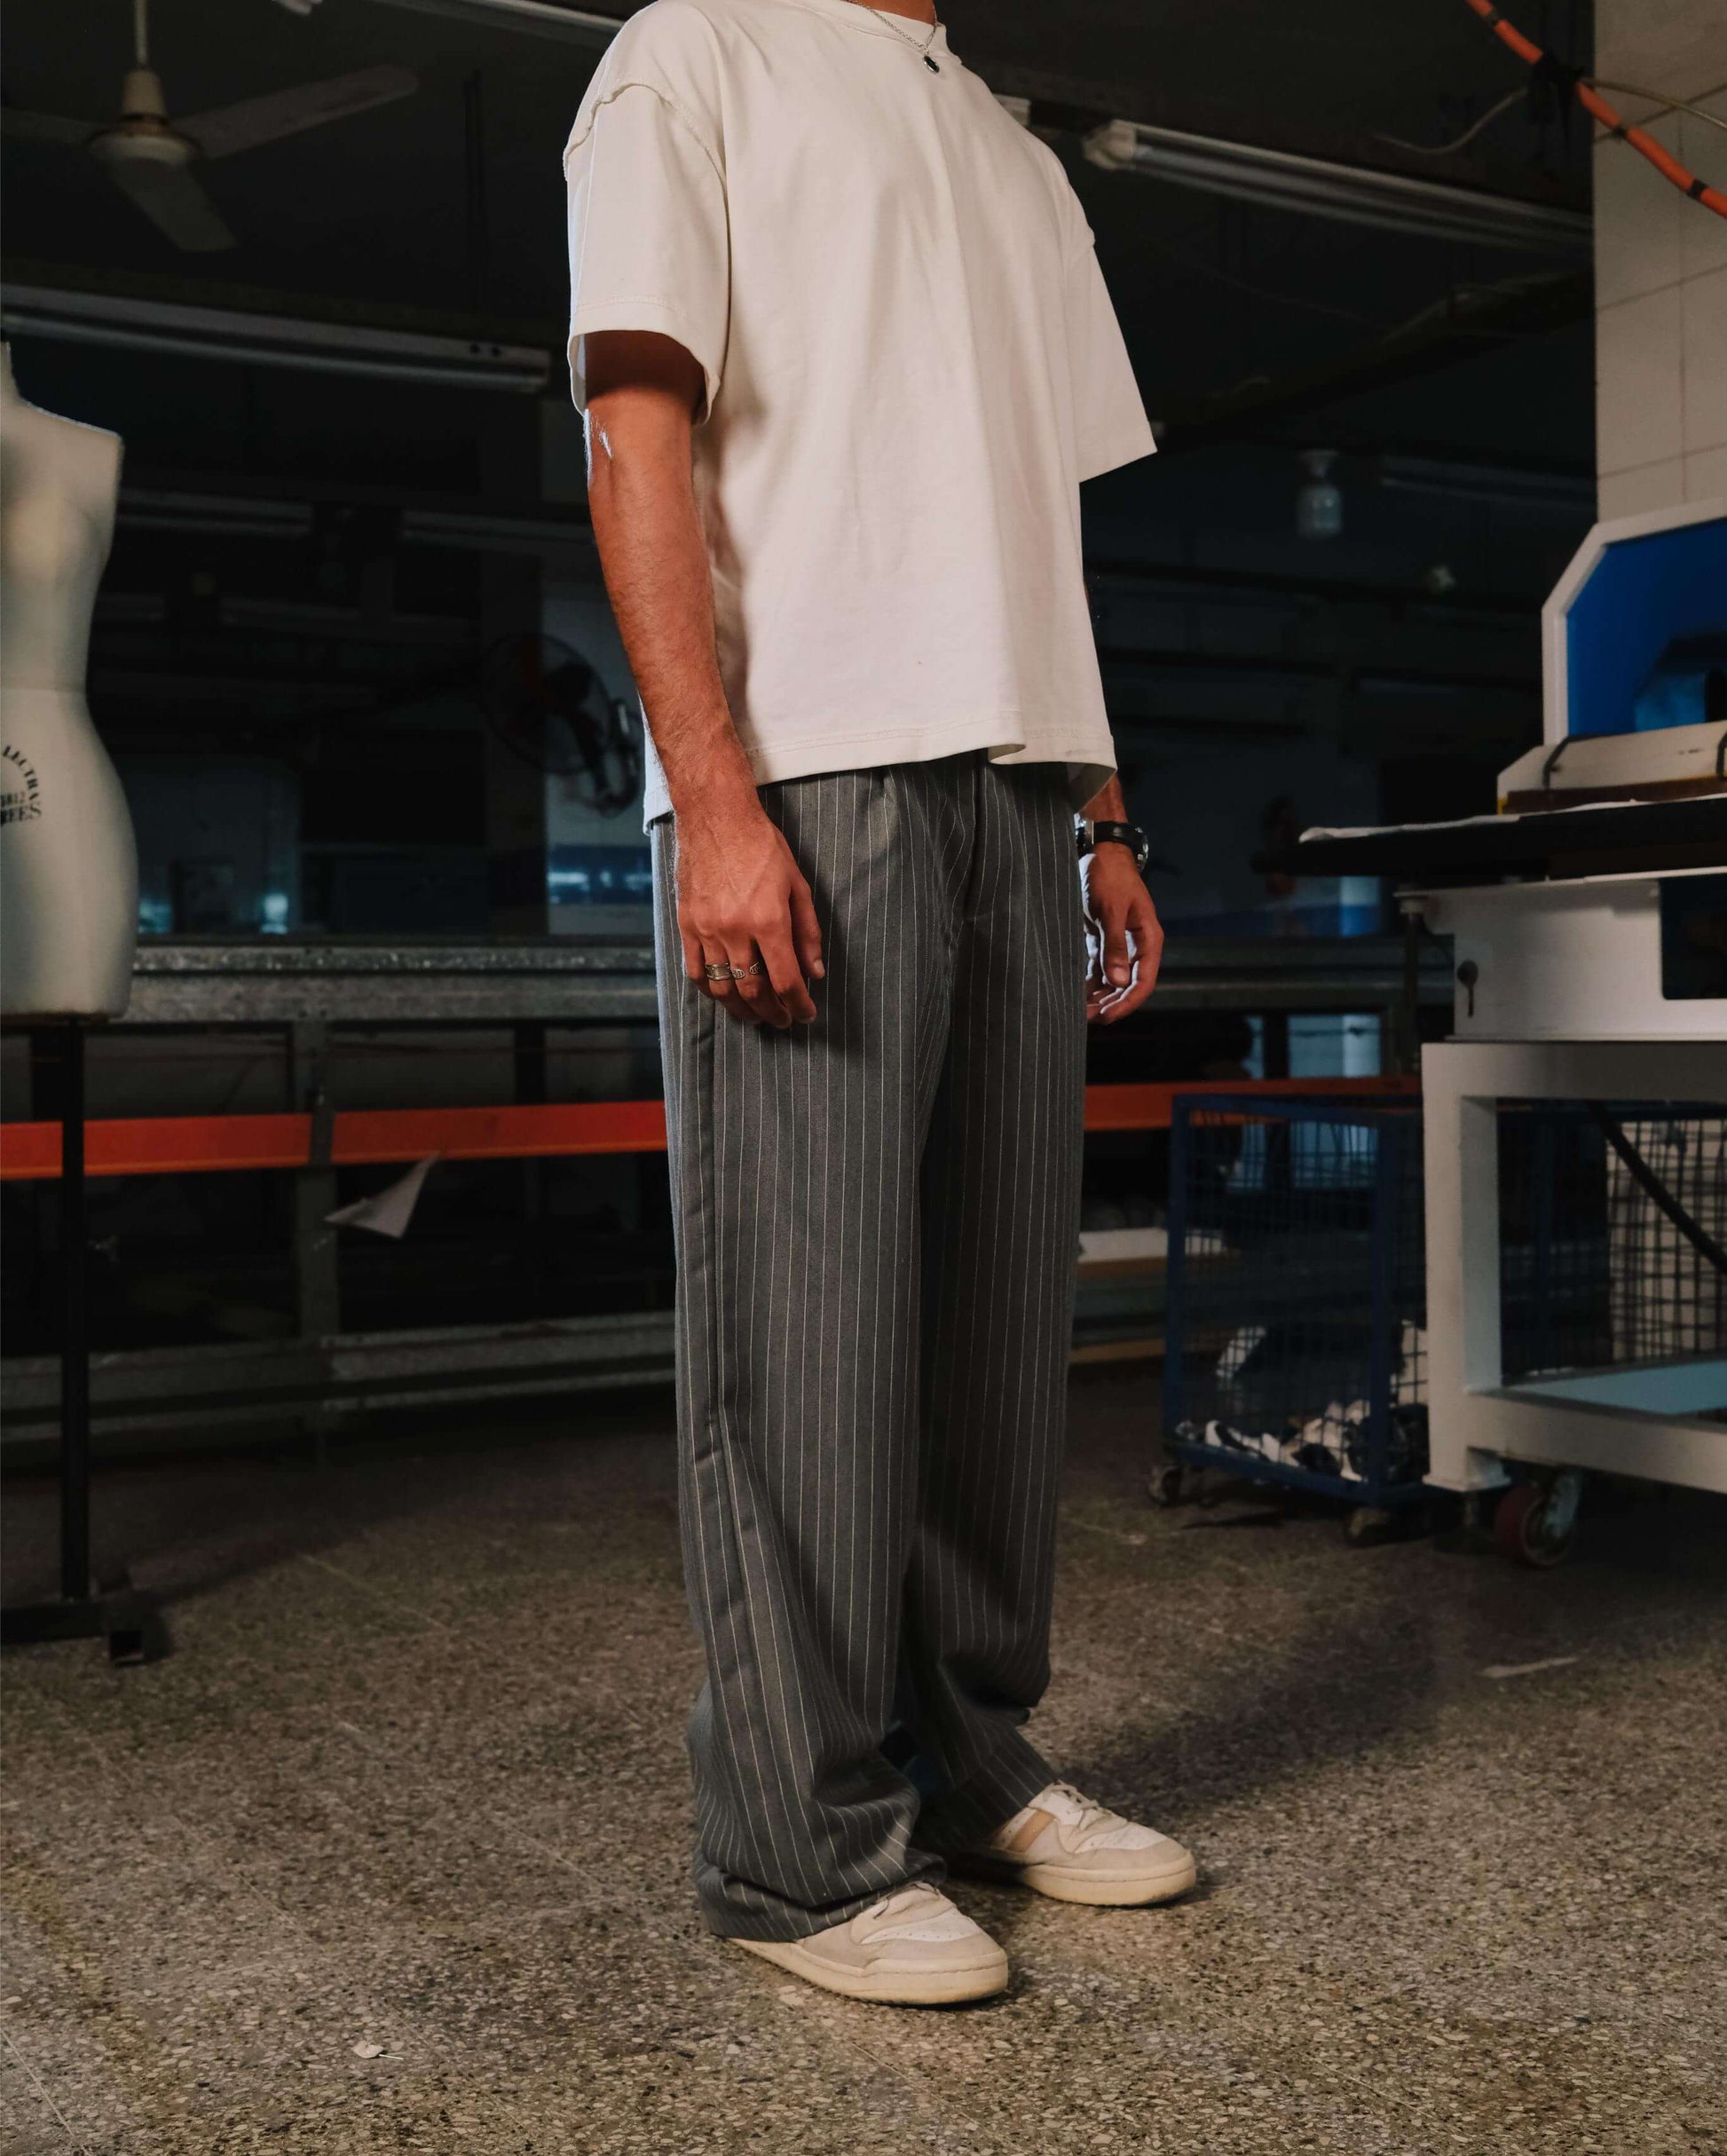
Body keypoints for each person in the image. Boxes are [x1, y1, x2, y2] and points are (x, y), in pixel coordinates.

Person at [564, 0, 1195, 2006]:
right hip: (815, 757)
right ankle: (796, 1849)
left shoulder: (1012, 153)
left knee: (997, 1322)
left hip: (1019, 771)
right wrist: (714, 793)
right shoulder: (696, 51)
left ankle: (973, 1761)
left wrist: (1101, 811)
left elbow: (1040, 512)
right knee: (812, 1325)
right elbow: (633, 428)